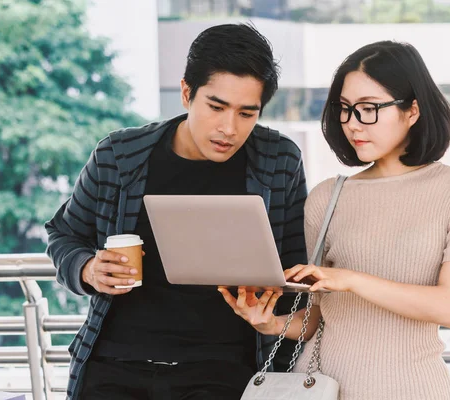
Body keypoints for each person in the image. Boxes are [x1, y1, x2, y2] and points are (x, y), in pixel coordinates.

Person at [219, 40, 450, 400]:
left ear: (412, 110)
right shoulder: (327, 197)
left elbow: (449, 307)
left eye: (368, 109)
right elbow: (322, 319)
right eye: (346, 109)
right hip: (317, 388)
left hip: (411, 389)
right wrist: (270, 323)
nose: (353, 124)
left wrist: (349, 279)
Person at [45, 23, 308, 400]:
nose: (228, 128)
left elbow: (299, 271)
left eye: (246, 114)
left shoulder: (279, 160)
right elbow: (63, 235)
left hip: (223, 370)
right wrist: (87, 269)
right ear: (187, 92)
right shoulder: (119, 156)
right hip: (115, 364)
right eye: (215, 107)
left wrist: (272, 315)